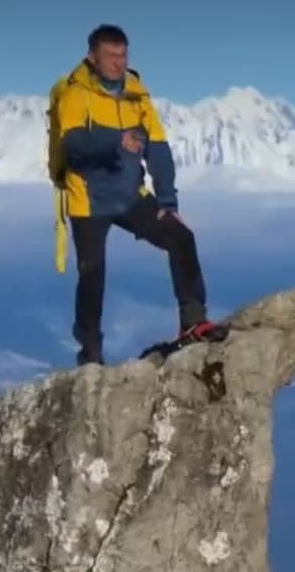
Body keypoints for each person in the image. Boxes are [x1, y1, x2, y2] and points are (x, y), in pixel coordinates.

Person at [47, 23, 226, 365]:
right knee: (92, 274)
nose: (117, 63)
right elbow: (72, 148)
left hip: (130, 196)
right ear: (91, 57)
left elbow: (158, 150)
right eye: (109, 56)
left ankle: (193, 321)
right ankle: (90, 352)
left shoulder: (137, 95)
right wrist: (115, 141)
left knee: (181, 237)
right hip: (88, 199)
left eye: (122, 55)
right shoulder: (75, 95)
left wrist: (167, 203)